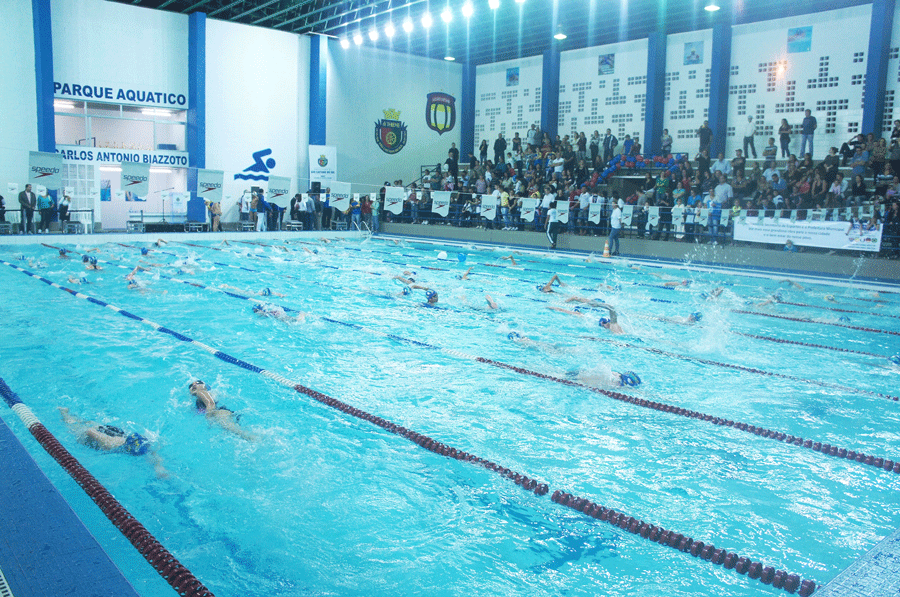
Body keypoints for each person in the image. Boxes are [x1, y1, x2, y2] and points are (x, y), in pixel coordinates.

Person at [59, 407, 167, 478]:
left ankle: (78, 419)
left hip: (115, 432)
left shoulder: (138, 443)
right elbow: (89, 431)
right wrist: (90, 434)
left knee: (86, 423)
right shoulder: (109, 445)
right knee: (73, 428)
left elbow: (152, 452)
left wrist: (159, 467)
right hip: (98, 435)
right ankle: (63, 412)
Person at [189, 380, 255, 441]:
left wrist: (208, 418)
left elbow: (211, 403)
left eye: (198, 383)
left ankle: (257, 439)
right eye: (190, 386)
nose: (194, 385)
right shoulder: (203, 396)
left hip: (219, 413)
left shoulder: (200, 392)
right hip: (223, 412)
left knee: (235, 431)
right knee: (236, 432)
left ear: (205, 386)